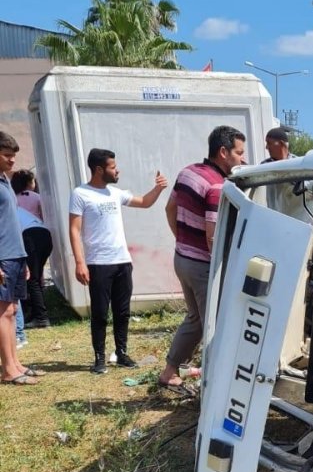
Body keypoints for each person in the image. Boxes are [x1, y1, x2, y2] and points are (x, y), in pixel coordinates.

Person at [158, 125, 246, 390]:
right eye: (239, 153)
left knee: (196, 319)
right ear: (223, 152)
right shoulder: (217, 186)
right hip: (203, 267)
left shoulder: (188, 172)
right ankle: (216, 384)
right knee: (214, 325)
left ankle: (169, 372)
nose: (243, 159)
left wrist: (183, 241)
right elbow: (213, 237)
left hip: (182, 259)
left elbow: (170, 208)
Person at [69, 149, 168, 375]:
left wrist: (159, 188)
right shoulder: (81, 194)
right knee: (100, 313)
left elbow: (143, 202)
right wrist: (79, 262)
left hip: (122, 261)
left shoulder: (115, 193)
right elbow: (74, 231)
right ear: (99, 169)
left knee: (122, 311)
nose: (117, 170)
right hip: (98, 263)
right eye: (113, 167)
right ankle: (99, 358)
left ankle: (121, 353)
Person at [0, 131, 37, 385]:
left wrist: (22, 258)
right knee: (3, 313)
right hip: (3, 257)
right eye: (7, 156)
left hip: (15, 255)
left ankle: (15, 363)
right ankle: (8, 370)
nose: (13, 161)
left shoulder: (4, 181)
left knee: (12, 310)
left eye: (14, 156)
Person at [17, 202, 52, 327]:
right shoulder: (17, 208)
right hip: (44, 234)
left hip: (31, 236)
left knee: (32, 280)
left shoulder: (5, 209)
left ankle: (41, 318)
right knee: (34, 278)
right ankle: (35, 313)